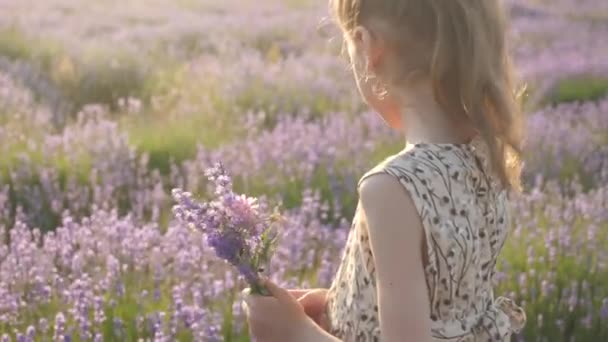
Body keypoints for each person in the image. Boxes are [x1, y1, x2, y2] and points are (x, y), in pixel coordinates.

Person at [243, 0, 528, 341]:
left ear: (367, 47)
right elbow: (445, 301)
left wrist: (294, 332)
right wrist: (346, 301)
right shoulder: (486, 153)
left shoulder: (392, 189)